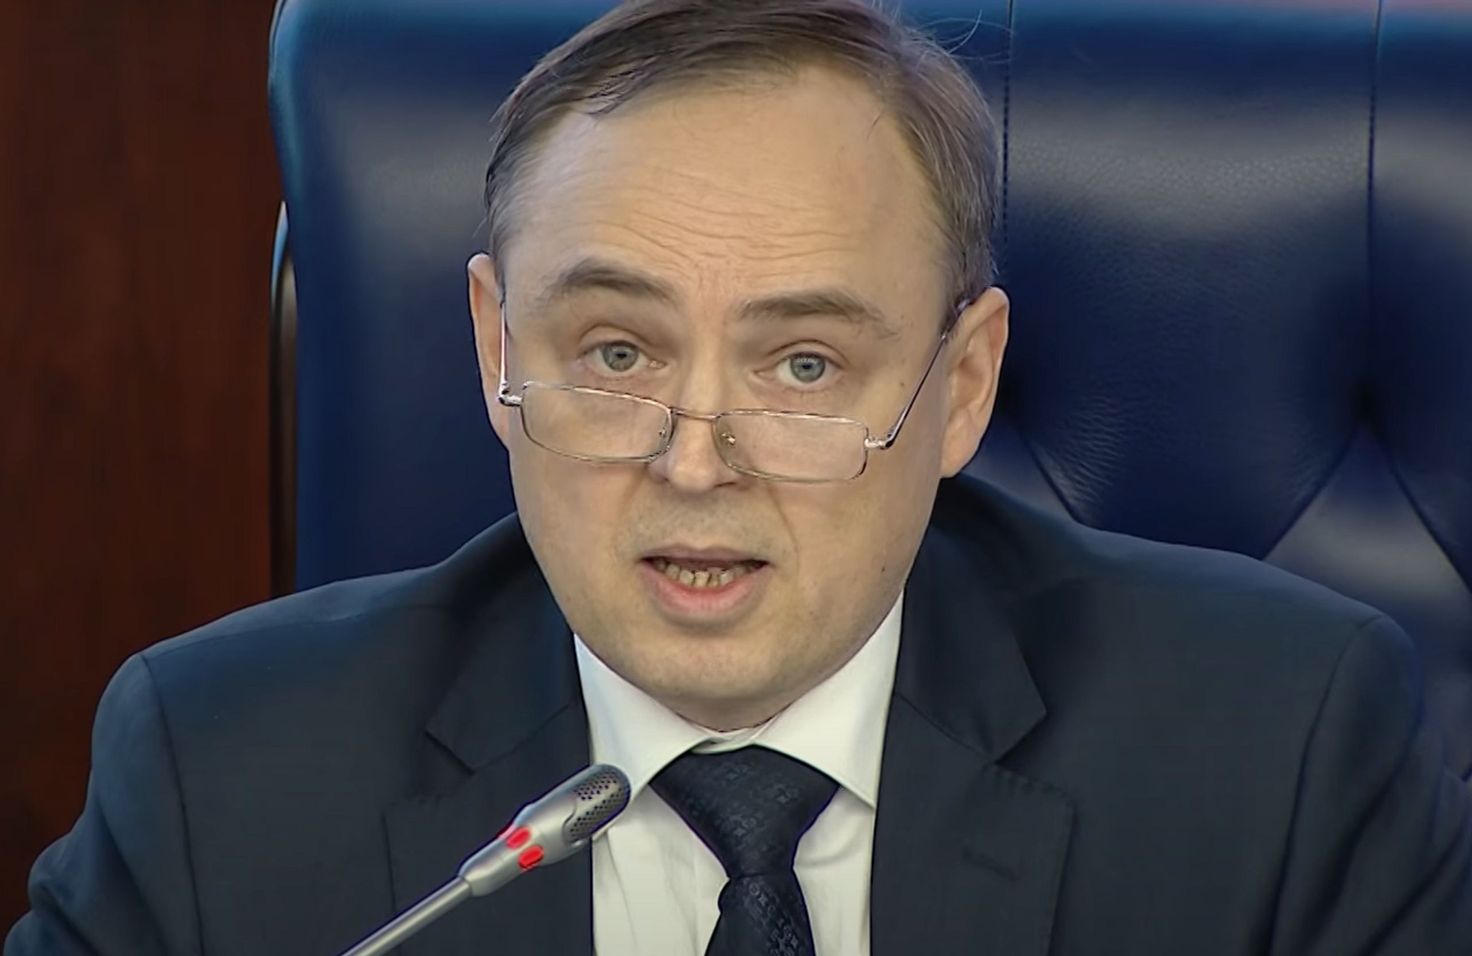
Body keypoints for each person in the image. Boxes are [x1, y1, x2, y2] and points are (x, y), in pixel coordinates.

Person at [9, 1, 1471, 953]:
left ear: (962, 386)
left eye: (805, 367)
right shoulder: (217, 781)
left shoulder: (1282, 758)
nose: (695, 460)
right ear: (495, 346)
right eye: (617, 354)